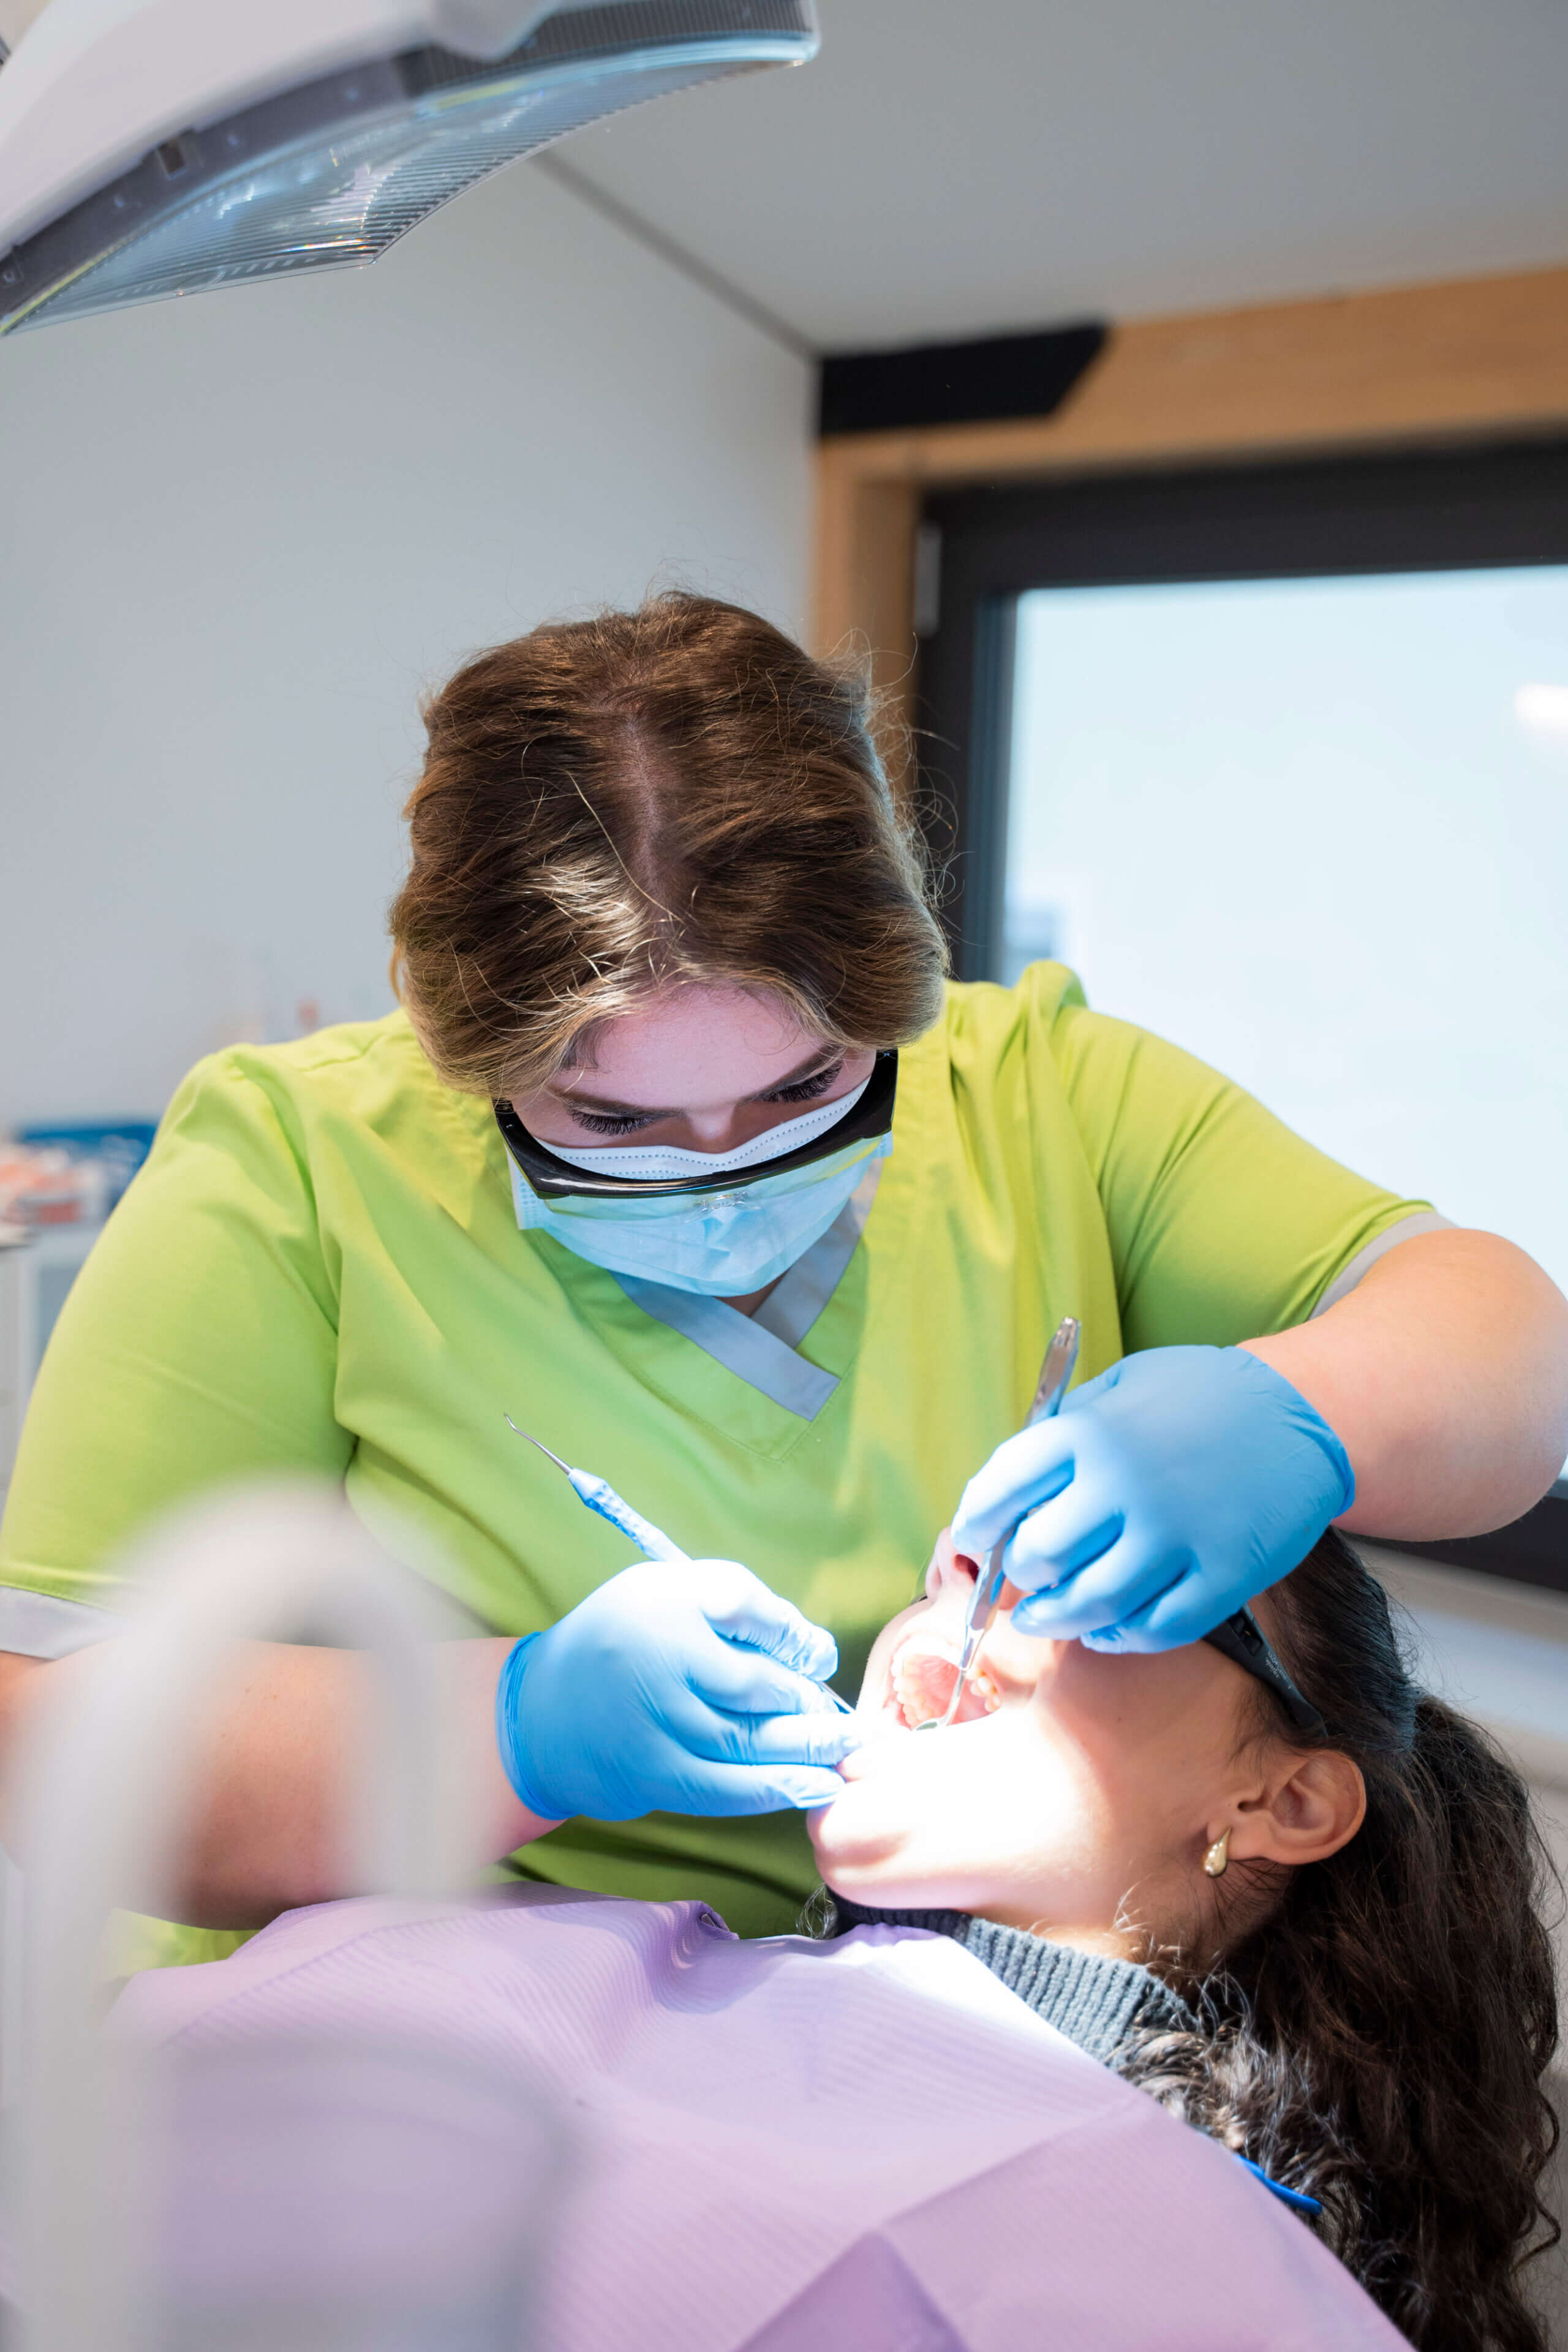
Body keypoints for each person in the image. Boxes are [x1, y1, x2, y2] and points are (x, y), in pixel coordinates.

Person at [1, 591, 1566, 1963]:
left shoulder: (1043, 1096)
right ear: (462, 1055)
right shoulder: (301, 1160)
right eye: (612, 1120)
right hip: (422, 2054)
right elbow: (48, 1736)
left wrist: (1299, 1412)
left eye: (805, 1086)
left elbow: (1502, 1349)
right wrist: (514, 1727)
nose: (722, 1166)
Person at [107, 1518, 1557, 2352]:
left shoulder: (1212, 2261)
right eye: (955, 1568)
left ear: (1283, 1800)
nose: (952, 1609)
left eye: (1077, 1591)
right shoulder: (616, 1957)